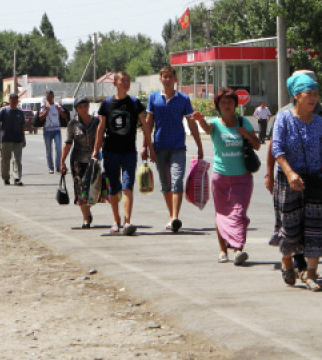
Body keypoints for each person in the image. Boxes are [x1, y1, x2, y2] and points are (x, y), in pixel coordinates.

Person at [265, 70, 322, 278]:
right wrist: (288, 173)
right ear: (296, 95)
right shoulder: (283, 118)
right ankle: (287, 259)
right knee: (290, 227)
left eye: (315, 93)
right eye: (308, 93)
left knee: (316, 228)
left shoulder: (320, 121)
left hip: (314, 180)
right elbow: (276, 148)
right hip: (289, 181)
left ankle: (311, 273)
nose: (313, 98)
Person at [192, 87, 261, 265]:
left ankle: (238, 249)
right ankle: (223, 250)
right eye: (223, 102)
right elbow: (207, 129)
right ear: (218, 106)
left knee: (238, 213)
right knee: (222, 213)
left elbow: (257, 145)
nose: (227, 105)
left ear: (235, 104)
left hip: (242, 177)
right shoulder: (215, 123)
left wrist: (246, 135)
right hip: (220, 177)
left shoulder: (243, 122)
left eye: (230, 101)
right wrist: (200, 120)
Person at [91, 71, 151, 235]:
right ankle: (116, 219)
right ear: (115, 83)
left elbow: (145, 125)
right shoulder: (107, 104)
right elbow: (101, 127)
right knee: (114, 187)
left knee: (128, 186)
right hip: (110, 151)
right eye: (122, 80)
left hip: (129, 152)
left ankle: (127, 221)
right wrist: (96, 149)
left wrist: (150, 147)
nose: (126, 83)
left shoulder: (134, 103)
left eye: (128, 81)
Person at [146, 65, 204, 232]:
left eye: (170, 76)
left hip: (178, 147)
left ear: (175, 79)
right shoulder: (153, 98)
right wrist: (146, 146)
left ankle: (175, 217)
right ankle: (172, 216)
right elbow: (149, 123)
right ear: (160, 79)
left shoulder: (183, 99)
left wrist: (199, 145)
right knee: (166, 184)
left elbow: (191, 123)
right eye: (165, 76)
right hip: (159, 147)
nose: (168, 79)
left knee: (177, 181)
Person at [61, 97, 100, 228]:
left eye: (85, 106)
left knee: (92, 189)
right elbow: (68, 143)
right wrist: (62, 161)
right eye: (80, 107)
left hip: (92, 161)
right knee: (80, 189)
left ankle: (87, 210)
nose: (84, 109)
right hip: (77, 161)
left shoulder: (96, 122)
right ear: (76, 109)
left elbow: (101, 140)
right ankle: (85, 218)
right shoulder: (73, 124)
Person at [0, 93, 26, 186]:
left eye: (16, 100)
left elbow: (22, 126)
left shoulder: (20, 112)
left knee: (17, 159)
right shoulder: (4, 110)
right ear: (10, 100)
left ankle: (17, 178)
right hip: (6, 139)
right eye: (13, 100)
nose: (15, 101)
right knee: (5, 159)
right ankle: (6, 177)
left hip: (18, 139)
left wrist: (24, 138)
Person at [38, 90, 69, 174]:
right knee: (49, 150)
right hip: (47, 130)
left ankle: (58, 166)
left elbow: (64, 116)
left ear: (53, 97)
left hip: (56, 130)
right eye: (47, 97)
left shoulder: (57, 105)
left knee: (58, 148)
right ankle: (50, 167)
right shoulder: (44, 106)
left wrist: (59, 110)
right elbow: (40, 118)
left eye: (50, 97)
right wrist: (46, 110)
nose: (48, 99)